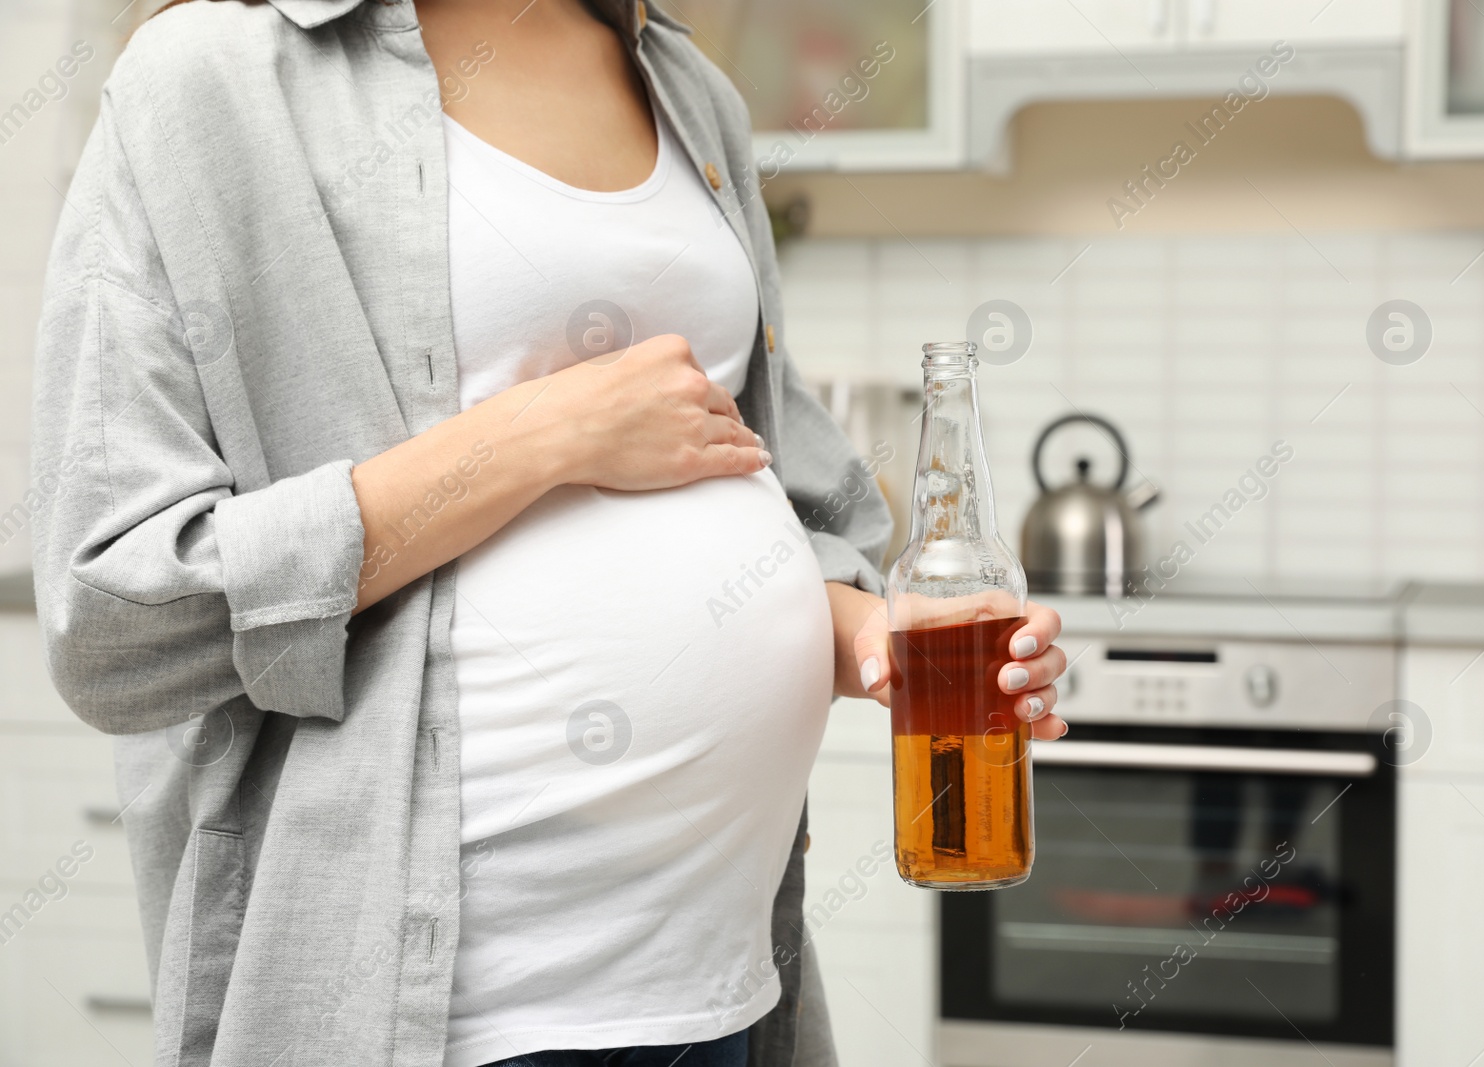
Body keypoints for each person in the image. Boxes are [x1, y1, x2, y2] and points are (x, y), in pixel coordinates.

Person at [30, 1, 1069, 1064]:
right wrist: (538, 433)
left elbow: (756, 478)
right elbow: (111, 622)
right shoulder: (209, 79)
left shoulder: (682, 83)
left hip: (730, 981)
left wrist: (870, 637)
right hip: (448, 1016)